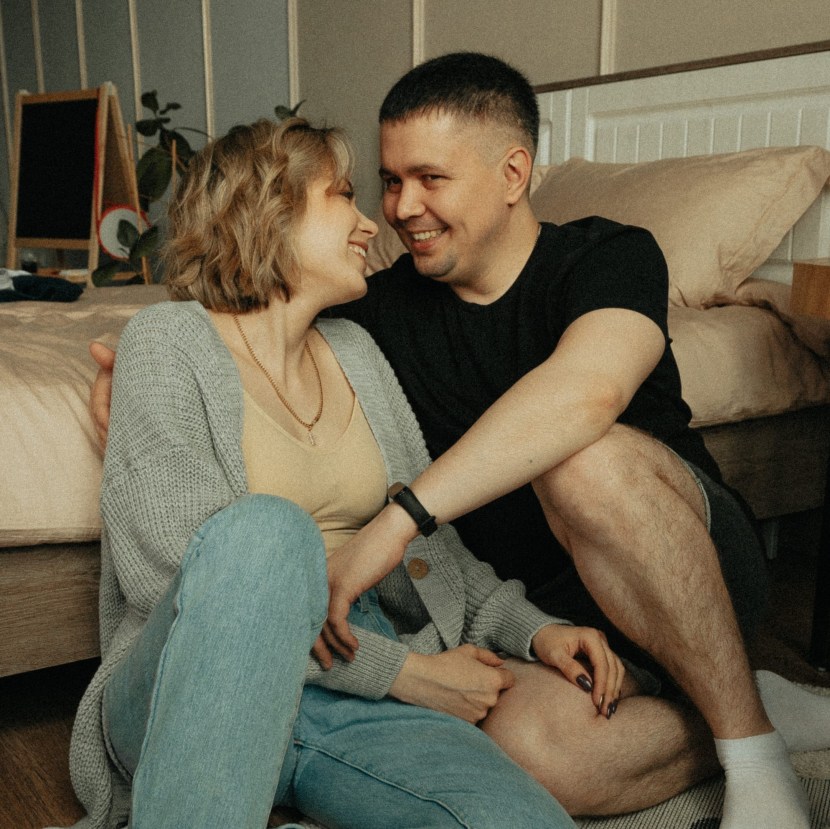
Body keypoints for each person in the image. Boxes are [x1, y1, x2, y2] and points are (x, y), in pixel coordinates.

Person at [88, 57, 830, 827]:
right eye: (383, 183)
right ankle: (745, 703)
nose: (395, 211)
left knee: (583, 458)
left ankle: (750, 745)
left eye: (430, 179)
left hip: (683, 568)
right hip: (516, 615)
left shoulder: (608, 255)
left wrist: (399, 521)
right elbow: (244, 316)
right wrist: (137, 371)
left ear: (513, 173)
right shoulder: (372, 317)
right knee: (534, 754)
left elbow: (588, 393)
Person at [68, 116, 599, 829]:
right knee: (267, 533)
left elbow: (429, 549)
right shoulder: (168, 341)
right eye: (343, 195)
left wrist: (534, 631)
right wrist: (404, 674)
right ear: (270, 210)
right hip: (197, 686)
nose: (370, 222)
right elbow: (185, 591)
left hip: (353, 691)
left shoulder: (356, 351)